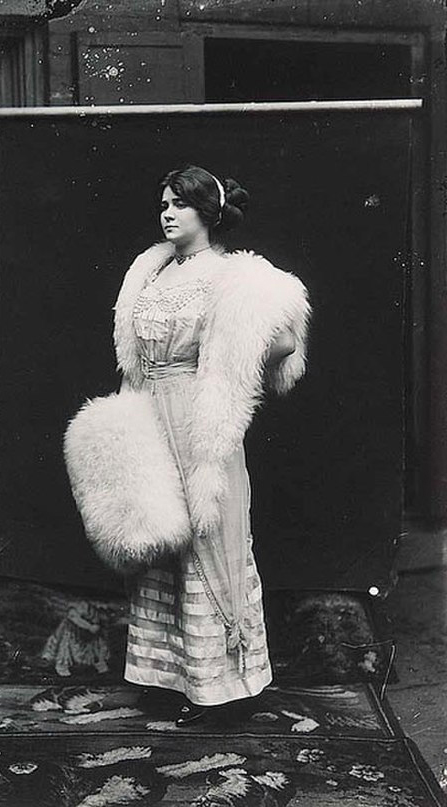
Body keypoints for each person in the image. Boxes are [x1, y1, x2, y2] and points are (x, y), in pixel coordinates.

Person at [113, 164, 310, 725]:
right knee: (159, 536)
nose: (167, 214)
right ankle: (168, 677)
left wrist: (223, 370)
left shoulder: (233, 276)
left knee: (208, 539)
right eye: (163, 204)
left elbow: (285, 341)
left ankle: (222, 687)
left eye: (179, 204)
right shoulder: (150, 271)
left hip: (199, 420)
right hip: (148, 409)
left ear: (209, 213)